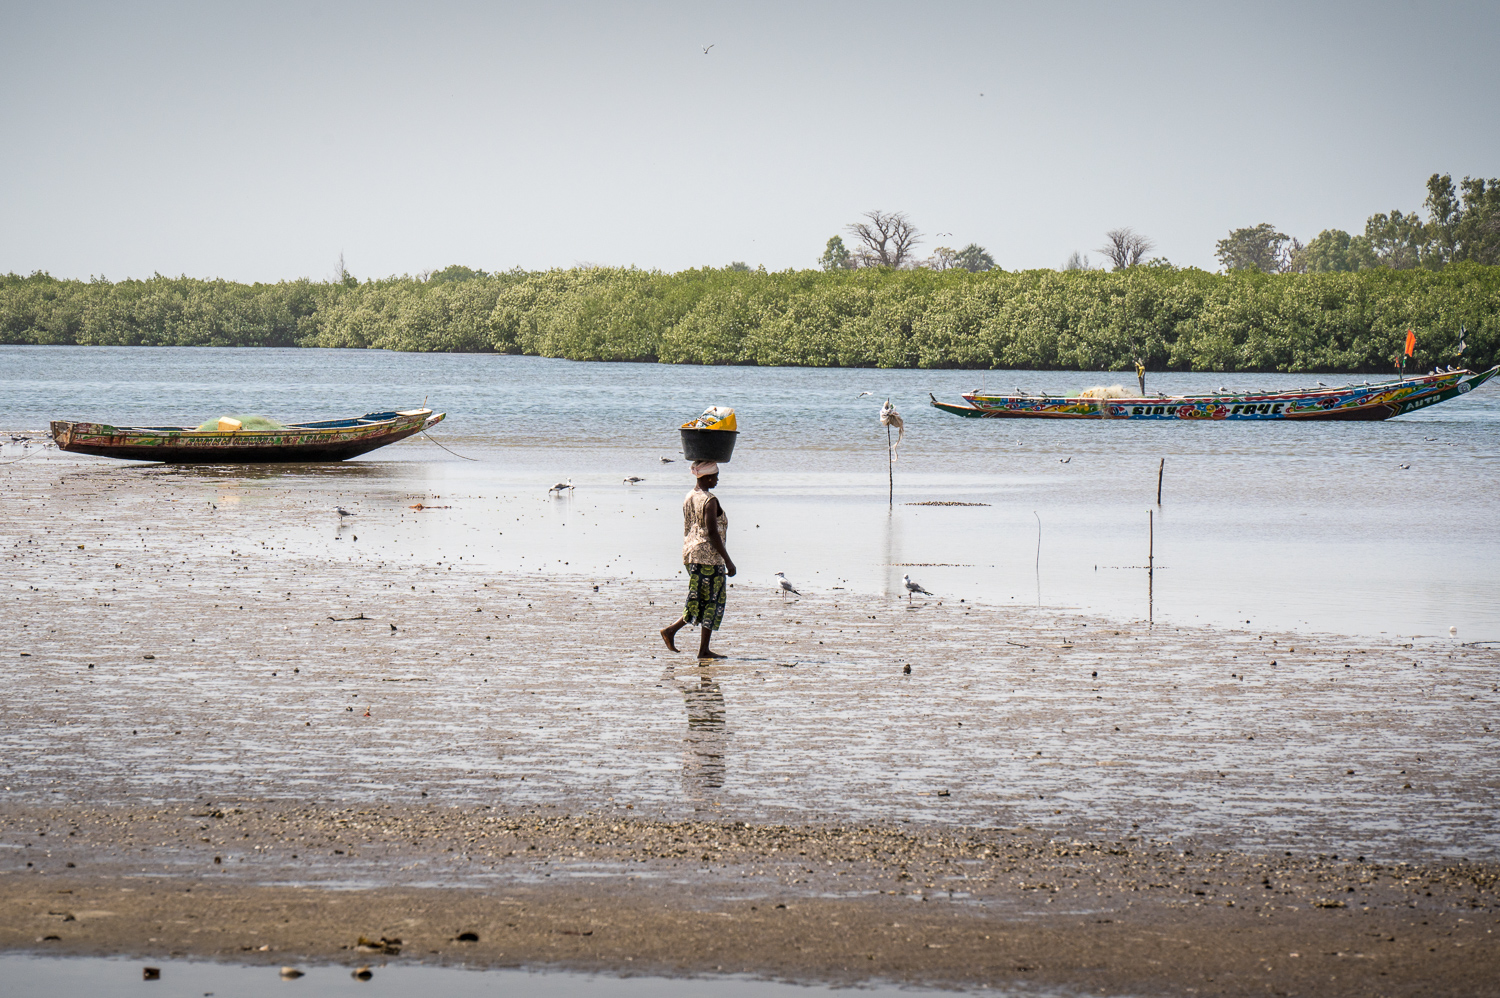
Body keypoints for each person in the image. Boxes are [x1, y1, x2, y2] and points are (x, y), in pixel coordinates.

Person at [660, 460, 736, 658]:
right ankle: (675, 633)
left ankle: (701, 648)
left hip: (691, 554)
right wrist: (728, 560)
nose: (718, 479)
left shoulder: (690, 496)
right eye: (716, 475)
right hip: (709, 557)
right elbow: (712, 532)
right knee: (712, 601)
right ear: (707, 476)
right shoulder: (709, 500)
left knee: (700, 598)